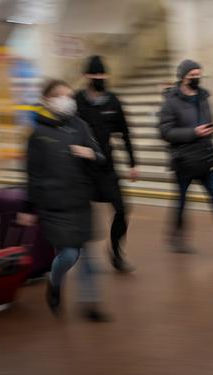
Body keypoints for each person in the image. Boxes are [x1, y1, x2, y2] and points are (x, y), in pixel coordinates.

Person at [18, 79, 109, 322]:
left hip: (80, 199)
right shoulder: (37, 133)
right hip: (54, 203)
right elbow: (31, 172)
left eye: (69, 95)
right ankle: (54, 281)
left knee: (88, 256)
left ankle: (91, 306)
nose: (67, 100)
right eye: (60, 95)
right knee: (69, 255)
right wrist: (28, 206)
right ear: (47, 100)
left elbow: (100, 156)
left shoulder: (79, 125)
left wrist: (90, 154)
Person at [74, 55, 137, 273]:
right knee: (81, 217)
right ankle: (79, 257)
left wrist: (132, 162)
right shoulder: (76, 102)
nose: (100, 78)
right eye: (95, 74)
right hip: (82, 170)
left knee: (122, 210)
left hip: (107, 167)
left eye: (103, 74)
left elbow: (125, 132)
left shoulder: (113, 101)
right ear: (85, 76)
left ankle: (116, 253)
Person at [158, 59, 213, 253]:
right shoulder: (171, 102)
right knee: (181, 201)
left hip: (205, 158)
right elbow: (165, 132)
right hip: (184, 161)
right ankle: (176, 237)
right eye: (192, 75)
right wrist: (193, 132)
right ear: (183, 77)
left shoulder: (203, 97)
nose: (196, 78)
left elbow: (208, 121)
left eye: (198, 74)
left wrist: (207, 131)